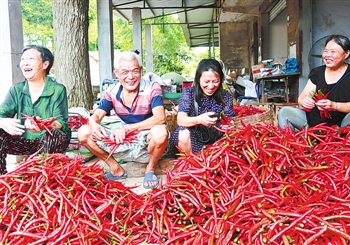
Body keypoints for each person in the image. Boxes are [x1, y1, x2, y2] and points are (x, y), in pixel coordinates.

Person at [77, 51, 168, 189]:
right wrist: (93, 123)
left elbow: (160, 117)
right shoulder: (112, 91)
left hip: (146, 142)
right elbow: (97, 115)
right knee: (84, 132)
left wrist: (127, 129)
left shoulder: (152, 87)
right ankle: (115, 168)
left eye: (135, 71)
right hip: (123, 141)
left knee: (160, 132)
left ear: (141, 71)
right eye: (124, 72)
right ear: (116, 72)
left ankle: (150, 169)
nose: (130, 76)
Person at [0, 44, 71, 174]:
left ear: (45, 65)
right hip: (24, 141)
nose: (25, 63)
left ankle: (45, 177)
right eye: (23, 59)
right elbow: (2, 113)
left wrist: (42, 124)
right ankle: (2, 179)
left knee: (54, 134)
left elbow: (61, 122)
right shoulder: (16, 90)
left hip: (50, 141)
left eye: (31, 59)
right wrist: (2, 122)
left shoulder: (58, 90)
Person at [278, 35, 350, 130]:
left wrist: (334, 105)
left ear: (346, 54)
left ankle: (347, 142)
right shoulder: (317, 73)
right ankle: (291, 143)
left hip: (343, 123)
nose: (327, 55)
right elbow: (302, 97)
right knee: (284, 112)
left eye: (333, 52)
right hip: (314, 122)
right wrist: (305, 100)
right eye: (326, 51)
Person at [170, 58, 235, 153]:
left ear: (221, 80)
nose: (211, 86)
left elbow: (230, 120)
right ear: (198, 79)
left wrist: (226, 126)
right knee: (183, 134)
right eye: (206, 81)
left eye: (215, 81)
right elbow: (181, 120)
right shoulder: (189, 93)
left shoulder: (226, 96)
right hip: (193, 136)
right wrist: (199, 120)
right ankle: (191, 163)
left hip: (215, 136)